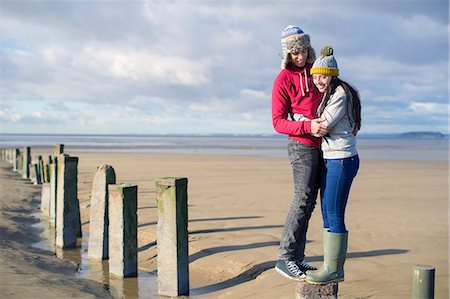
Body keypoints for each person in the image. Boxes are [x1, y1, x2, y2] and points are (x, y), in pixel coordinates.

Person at [295, 46, 361, 284]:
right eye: (314, 76)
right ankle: (329, 266)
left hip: (341, 160)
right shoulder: (331, 93)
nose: (318, 81)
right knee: (327, 212)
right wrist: (308, 121)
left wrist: (299, 118)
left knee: (334, 213)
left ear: (333, 74)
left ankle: (334, 270)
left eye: (322, 76)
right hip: (333, 158)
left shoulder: (340, 93)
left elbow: (325, 125)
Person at [272, 25, 328, 280]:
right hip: (300, 145)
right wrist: (308, 126)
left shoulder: (316, 72)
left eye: (303, 50)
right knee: (302, 198)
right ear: (287, 54)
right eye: (294, 53)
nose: (300, 56)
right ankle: (285, 259)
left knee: (310, 202)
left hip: (322, 146)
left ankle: (298, 257)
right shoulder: (282, 79)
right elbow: (278, 122)